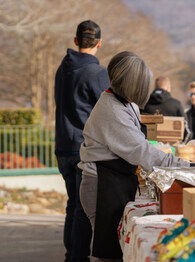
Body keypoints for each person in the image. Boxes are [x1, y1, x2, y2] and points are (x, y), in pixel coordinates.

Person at [78, 51, 190, 262]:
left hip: (114, 182)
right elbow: (142, 151)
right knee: (110, 255)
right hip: (102, 187)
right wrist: (187, 165)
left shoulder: (124, 103)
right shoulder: (112, 110)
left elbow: (140, 146)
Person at [54, 20, 109, 262]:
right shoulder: (98, 73)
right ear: (99, 43)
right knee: (83, 210)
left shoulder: (62, 69)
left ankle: (71, 255)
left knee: (72, 205)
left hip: (63, 146)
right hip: (84, 149)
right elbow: (110, 110)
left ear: (76, 41)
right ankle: (77, 257)